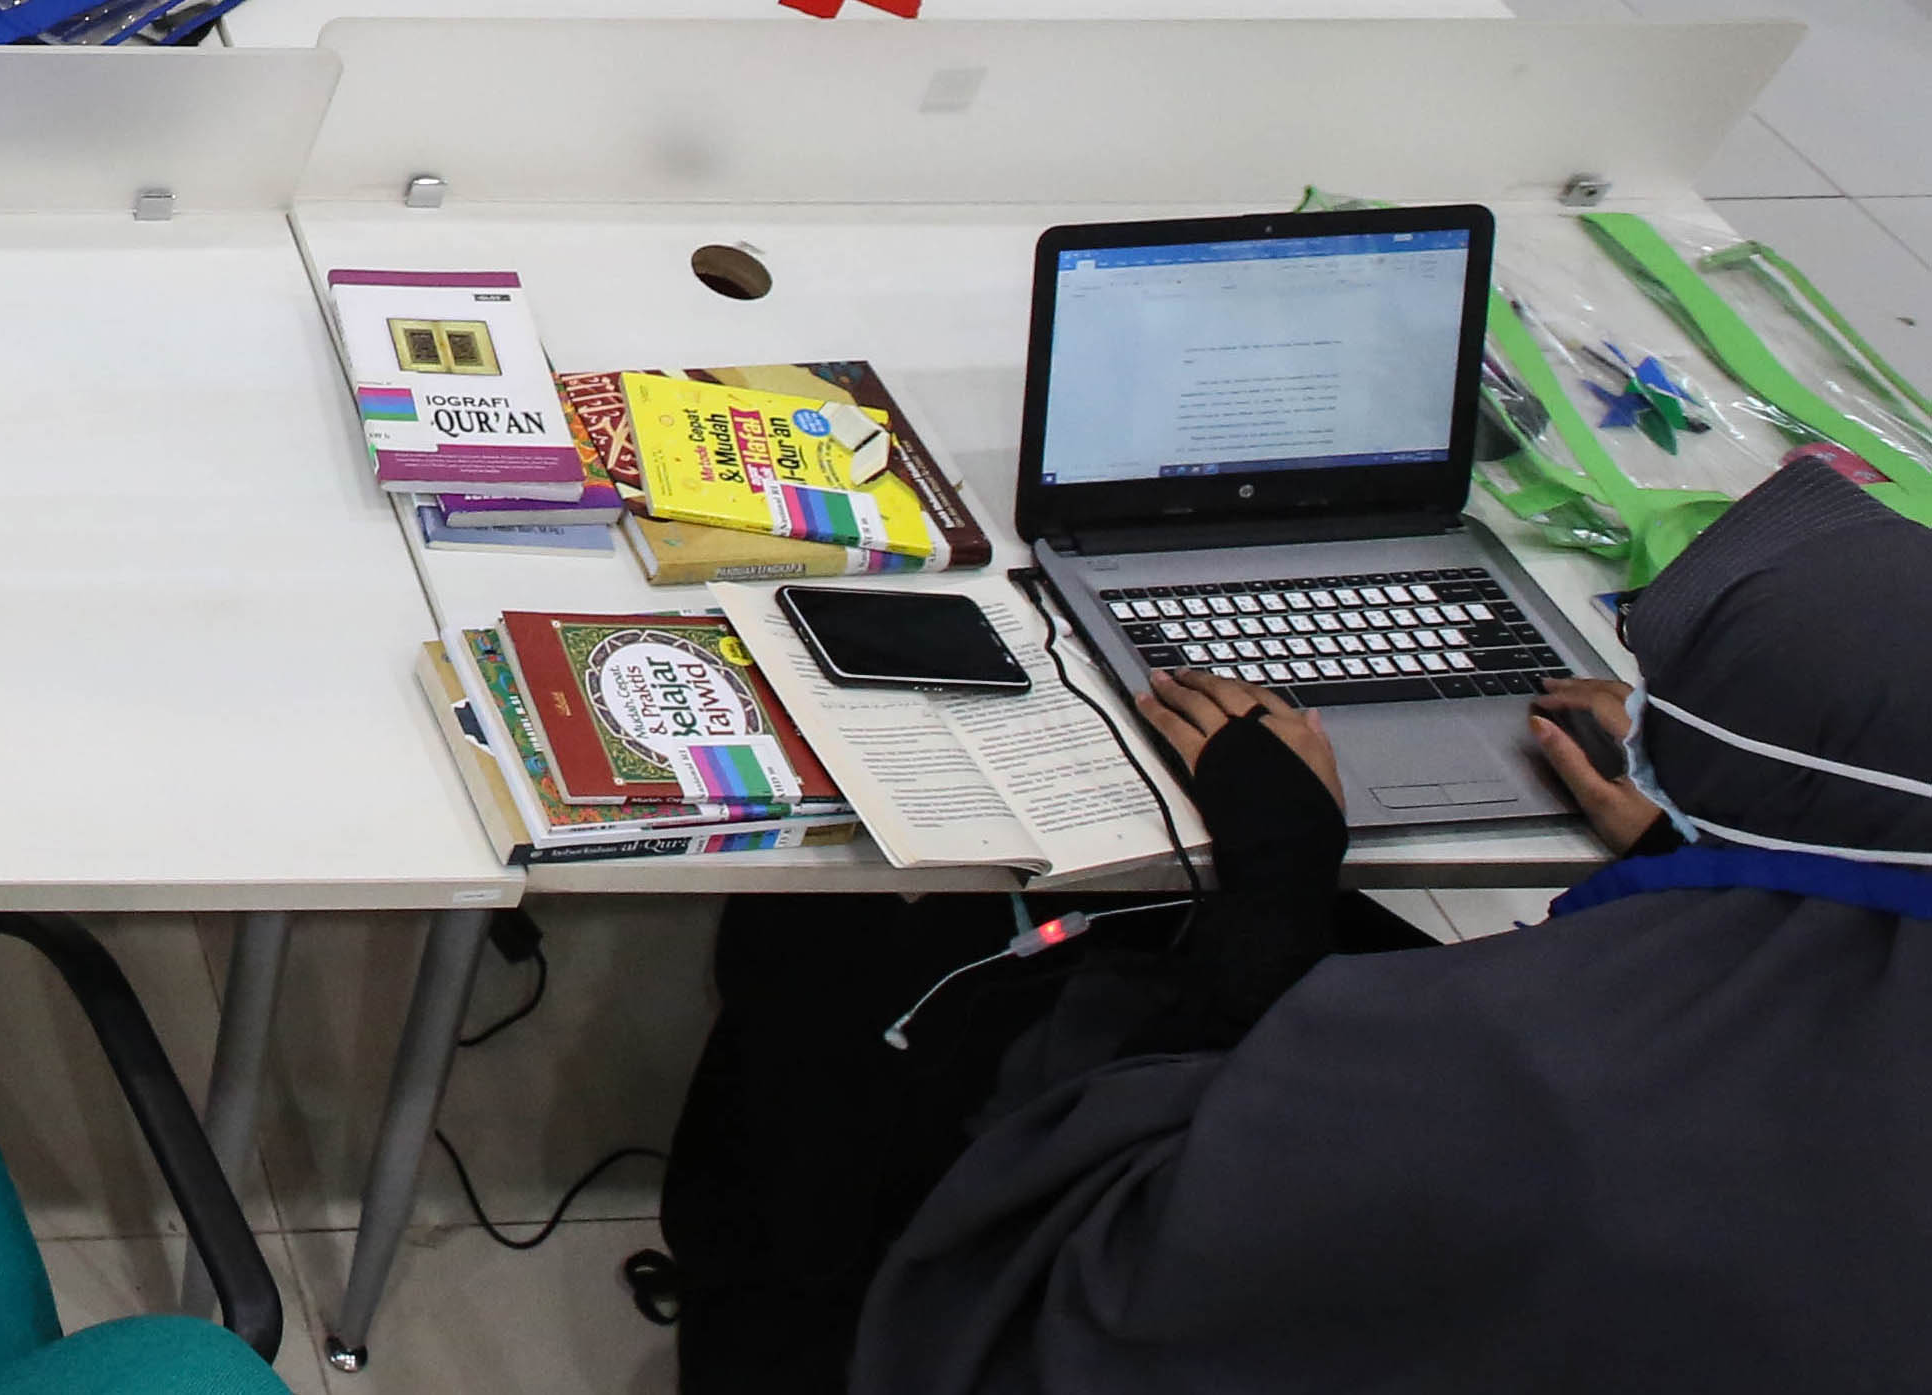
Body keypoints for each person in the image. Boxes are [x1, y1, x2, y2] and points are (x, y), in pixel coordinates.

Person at [667, 461, 1932, 1392]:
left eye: (1670, 704)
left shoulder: (1521, 1076)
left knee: (864, 959)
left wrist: (1278, 870)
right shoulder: (1842, 945)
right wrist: (1685, 857)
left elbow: (1124, 1222)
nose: (1631, 701)